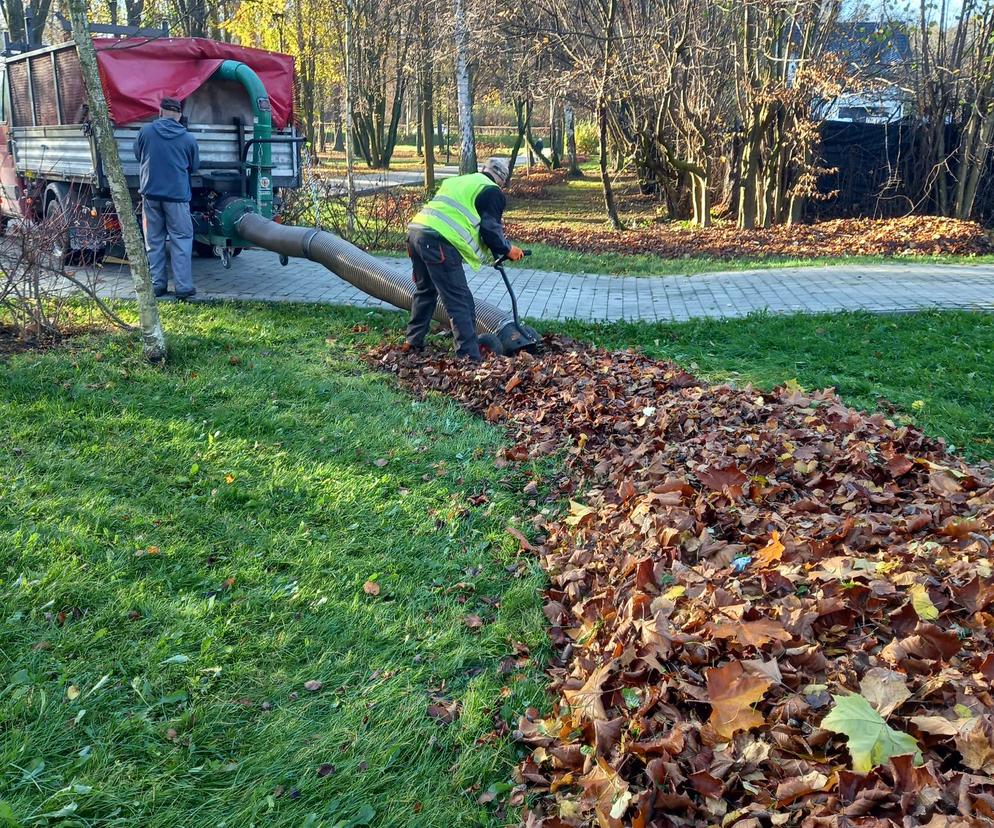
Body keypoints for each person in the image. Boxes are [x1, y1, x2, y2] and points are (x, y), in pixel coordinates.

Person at [406, 157, 525, 361]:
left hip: (415, 233)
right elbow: (490, 229)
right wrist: (508, 249)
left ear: (483, 169)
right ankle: (469, 357)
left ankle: (412, 342)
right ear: (502, 181)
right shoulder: (492, 191)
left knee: (425, 291)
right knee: (459, 300)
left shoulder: (460, 181)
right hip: (439, 242)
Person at [133, 97, 200, 300]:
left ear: (160, 112)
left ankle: (157, 285)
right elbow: (194, 166)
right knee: (181, 239)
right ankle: (183, 287)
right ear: (179, 116)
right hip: (177, 197)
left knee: (154, 240)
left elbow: (138, 155)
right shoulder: (188, 139)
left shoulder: (145, 132)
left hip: (151, 195)